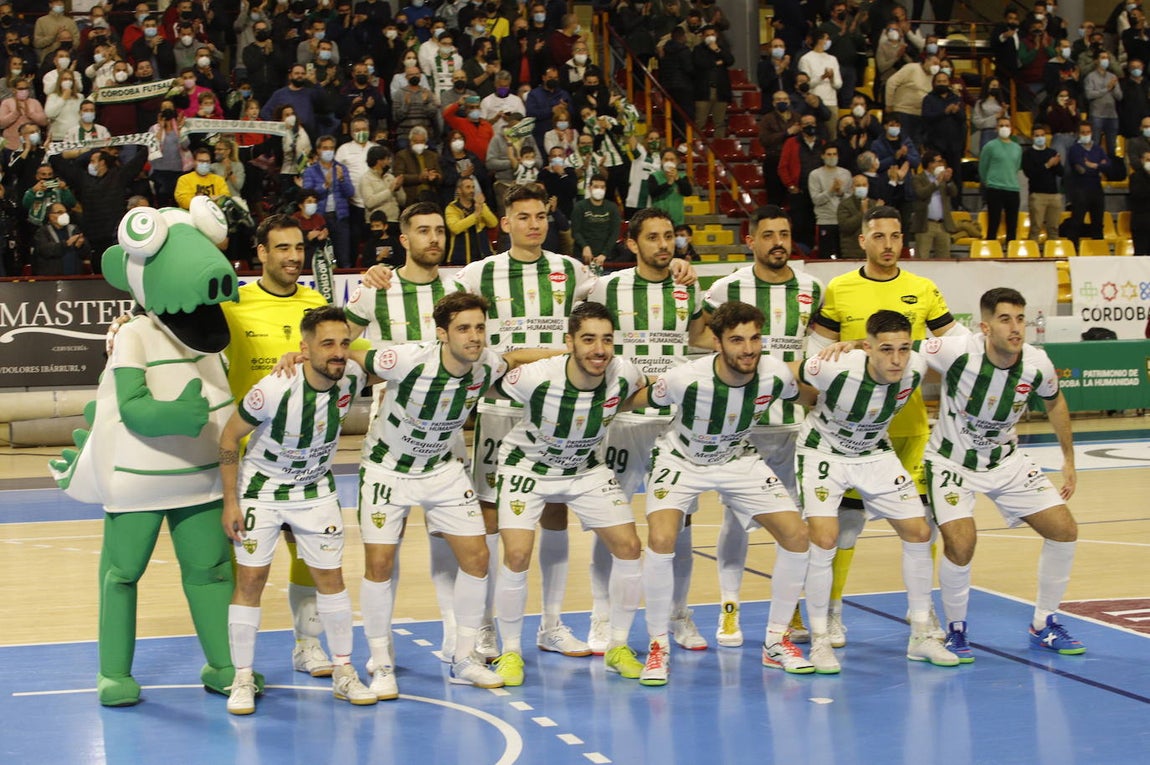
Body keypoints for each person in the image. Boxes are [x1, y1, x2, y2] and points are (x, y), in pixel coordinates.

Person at [353, 290, 561, 695]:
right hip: (386, 470)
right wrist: (300, 356)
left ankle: (464, 657)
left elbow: (515, 360)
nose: (475, 336)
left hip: (442, 470)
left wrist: (567, 354)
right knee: (379, 564)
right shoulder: (406, 359)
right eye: (464, 328)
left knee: (478, 557)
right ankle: (380, 663)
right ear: (442, 333)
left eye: (480, 328)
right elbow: (352, 357)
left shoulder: (484, 363)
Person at [631, 300, 811, 684]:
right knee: (662, 540)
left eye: (755, 338)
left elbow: (809, 393)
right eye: (737, 340)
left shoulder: (775, 374)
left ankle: (776, 642)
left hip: (738, 459)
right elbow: (638, 401)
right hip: (681, 460)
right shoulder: (684, 379)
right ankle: (658, 646)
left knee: (797, 537)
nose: (748, 349)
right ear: (716, 342)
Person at [811, 205, 960, 645]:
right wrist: (840, 347)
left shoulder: (923, 288)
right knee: (848, 525)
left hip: (910, 428)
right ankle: (833, 611)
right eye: (879, 236)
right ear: (862, 240)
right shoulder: (840, 289)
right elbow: (815, 353)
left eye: (896, 236)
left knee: (922, 522)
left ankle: (924, 611)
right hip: (853, 433)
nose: (889, 245)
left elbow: (955, 348)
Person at [219, 306, 376, 715]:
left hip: (315, 489)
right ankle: (242, 678)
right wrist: (231, 502)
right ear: (304, 348)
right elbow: (228, 437)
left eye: (344, 343)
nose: (338, 352)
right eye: (327, 344)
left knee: (332, 579)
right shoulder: (274, 387)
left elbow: (392, 365)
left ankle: (343, 670)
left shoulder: (351, 376)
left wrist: (353, 353)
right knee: (250, 580)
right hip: (263, 488)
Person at [488, 301, 648, 686]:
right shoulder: (537, 376)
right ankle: (509, 651)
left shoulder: (624, 372)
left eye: (607, 340)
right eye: (588, 339)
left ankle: (618, 647)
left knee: (629, 547)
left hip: (585, 469)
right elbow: (495, 369)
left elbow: (639, 392)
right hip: (527, 466)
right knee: (517, 554)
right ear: (570, 343)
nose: (599, 349)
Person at [924, 287, 1084, 662]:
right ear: (984, 327)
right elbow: (894, 348)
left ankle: (1044, 623)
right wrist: (848, 346)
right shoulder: (955, 349)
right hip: (952, 463)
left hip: (1006, 462)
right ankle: (956, 629)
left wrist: (1068, 459)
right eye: (1005, 319)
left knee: (1064, 530)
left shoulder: (1036, 362)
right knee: (962, 544)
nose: (1015, 328)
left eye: (1020, 319)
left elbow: (1055, 399)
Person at [798, 310, 958, 674]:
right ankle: (821, 640)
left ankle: (920, 634)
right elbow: (787, 377)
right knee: (825, 539)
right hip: (823, 451)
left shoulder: (915, 365)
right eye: (886, 350)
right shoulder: (834, 367)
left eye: (903, 348)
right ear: (869, 348)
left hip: (873, 451)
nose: (896, 359)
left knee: (919, 532)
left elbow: (970, 349)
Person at [219, 215, 339, 678]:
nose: (293, 257)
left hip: (305, 462)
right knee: (245, 566)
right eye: (282, 248)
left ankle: (307, 643)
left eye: (299, 248)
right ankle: (235, 663)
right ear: (262, 253)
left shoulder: (316, 304)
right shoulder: (236, 304)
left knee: (306, 555)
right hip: (249, 462)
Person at [585, 207, 707, 654]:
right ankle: (602, 616)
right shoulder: (605, 287)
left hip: (673, 425)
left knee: (682, 524)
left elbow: (701, 337)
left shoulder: (688, 288)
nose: (662, 244)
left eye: (669, 237)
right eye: (652, 237)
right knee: (610, 521)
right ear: (631, 244)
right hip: (622, 422)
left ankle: (677, 613)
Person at [702, 205, 824, 646]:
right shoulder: (726, 288)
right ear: (750, 240)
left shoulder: (813, 289)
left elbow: (819, 357)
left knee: (794, 523)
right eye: (768, 234)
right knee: (736, 522)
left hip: (794, 427)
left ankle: (789, 610)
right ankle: (729, 608)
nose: (778, 242)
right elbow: (699, 340)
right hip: (742, 428)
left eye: (785, 233)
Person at [51, 146, 150, 270]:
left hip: (115, 236)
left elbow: (136, 163)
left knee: (119, 268)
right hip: (93, 236)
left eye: (92, 161)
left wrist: (148, 143)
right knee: (99, 269)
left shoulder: (118, 177)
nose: (89, 164)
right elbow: (60, 164)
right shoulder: (84, 179)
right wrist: (54, 149)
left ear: (102, 162)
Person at [302, 135, 355, 267]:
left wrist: (342, 179)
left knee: (343, 257)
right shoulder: (310, 171)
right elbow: (307, 193)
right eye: (325, 148)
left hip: (339, 218)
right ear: (318, 150)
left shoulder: (341, 168)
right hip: (319, 219)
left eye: (331, 148)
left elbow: (350, 192)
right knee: (318, 257)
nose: (329, 151)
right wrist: (325, 185)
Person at [910, 152, 960, 259]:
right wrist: (936, 183)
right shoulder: (918, 179)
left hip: (942, 225)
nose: (941, 164)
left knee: (944, 259)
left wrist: (949, 181)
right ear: (929, 164)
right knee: (922, 257)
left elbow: (954, 193)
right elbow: (921, 193)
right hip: (925, 224)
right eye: (938, 161)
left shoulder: (943, 179)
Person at [808, 143, 852, 258]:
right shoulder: (815, 175)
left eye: (834, 154)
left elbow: (850, 198)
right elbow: (816, 200)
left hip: (843, 222)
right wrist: (831, 190)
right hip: (825, 221)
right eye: (829, 154)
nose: (832, 157)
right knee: (825, 256)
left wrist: (841, 193)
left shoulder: (846, 174)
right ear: (822, 156)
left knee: (844, 256)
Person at [1067, 122, 1109, 240]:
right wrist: (1098, 166)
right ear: (1078, 134)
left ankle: (1098, 252)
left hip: (1097, 190)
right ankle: (1073, 250)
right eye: (1083, 132)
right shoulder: (1074, 149)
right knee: (1076, 222)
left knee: (1098, 223)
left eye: (1088, 132)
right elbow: (1081, 169)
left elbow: (1108, 165)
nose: (1086, 134)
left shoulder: (1098, 149)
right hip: (1080, 190)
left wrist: (1092, 165)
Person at [1022, 124, 1064, 243]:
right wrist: (1047, 165)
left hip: (1054, 195)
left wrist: (1057, 163)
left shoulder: (1052, 152)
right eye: (1037, 136)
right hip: (1037, 195)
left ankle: (1054, 254)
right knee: (1035, 229)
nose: (1040, 138)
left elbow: (1061, 172)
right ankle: (1032, 256)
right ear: (1032, 137)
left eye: (1042, 135)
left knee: (1054, 229)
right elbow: (1030, 173)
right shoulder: (1028, 154)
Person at [570, 173, 621, 271]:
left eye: (602, 187)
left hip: (606, 258)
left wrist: (604, 254)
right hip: (582, 257)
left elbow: (615, 233)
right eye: (596, 186)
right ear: (590, 188)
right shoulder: (580, 206)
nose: (599, 190)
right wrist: (585, 247)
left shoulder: (612, 207)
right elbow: (575, 231)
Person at [691, 25, 734, 138]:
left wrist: (717, 50)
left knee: (720, 123)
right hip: (703, 90)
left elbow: (730, 60)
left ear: (717, 35)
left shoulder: (722, 48)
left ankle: (719, 148)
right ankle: (696, 148)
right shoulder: (698, 49)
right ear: (703, 36)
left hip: (721, 90)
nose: (710, 37)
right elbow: (700, 64)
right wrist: (717, 63)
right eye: (707, 35)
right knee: (700, 122)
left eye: (712, 34)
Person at [445, 176, 498, 265]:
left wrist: (481, 206)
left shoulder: (479, 205)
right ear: (459, 190)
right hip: (460, 259)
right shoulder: (452, 208)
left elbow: (493, 223)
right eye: (468, 187)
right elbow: (455, 228)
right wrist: (476, 215)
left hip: (483, 257)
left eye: (473, 187)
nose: (472, 190)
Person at [32, 201, 89, 276]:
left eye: (65, 212)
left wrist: (81, 246)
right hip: (52, 279)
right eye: (60, 212)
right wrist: (66, 244)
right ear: (50, 216)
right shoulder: (42, 232)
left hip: (75, 278)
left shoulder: (74, 229)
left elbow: (86, 253)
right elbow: (45, 250)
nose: (64, 215)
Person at [648, 150, 693, 227]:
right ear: (661, 161)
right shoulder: (654, 176)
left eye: (672, 160)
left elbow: (688, 192)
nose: (668, 162)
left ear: (677, 161)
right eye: (666, 159)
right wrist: (668, 183)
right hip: (659, 220)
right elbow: (652, 193)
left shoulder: (682, 177)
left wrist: (677, 179)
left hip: (677, 221)